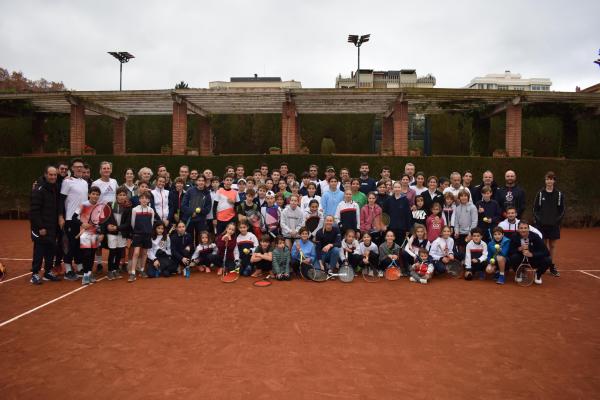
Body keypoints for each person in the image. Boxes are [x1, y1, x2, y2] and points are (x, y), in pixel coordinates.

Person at [30, 165, 60, 284]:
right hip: (41, 228)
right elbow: (34, 210)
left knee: (50, 250)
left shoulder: (55, 187)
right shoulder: (39, 189)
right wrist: (40, 227)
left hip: (52, 227)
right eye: (51, 174)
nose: (53, 177)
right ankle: (35, 274)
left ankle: (47, 272)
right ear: (45, 175)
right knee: (39, 251)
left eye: (54, 175)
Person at [59, 158, 88, 281]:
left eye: (81, 166)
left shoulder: (85, 183)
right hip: (70, 218)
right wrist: (61, 216)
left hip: (82, 219)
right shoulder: (67, 182)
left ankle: (80, 267)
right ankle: (68, 269)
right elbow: (61, 200)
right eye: (76, 167)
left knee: (79, 245)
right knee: (70, 244)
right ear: (72, 168)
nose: (79, 168)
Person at [533, 171, 564, 277]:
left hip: (554, 226)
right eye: (547, 179)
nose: (549, 181)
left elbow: (562, 210)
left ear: (554, 181)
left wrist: (556, 221)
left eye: (551, 179)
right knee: (543, 245)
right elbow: (535, 209)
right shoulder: (540, 193)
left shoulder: (559, 194)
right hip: (541, 225)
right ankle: (543, 264)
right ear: (545, 181)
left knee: (552, 245)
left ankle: (551, 265)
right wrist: (539, 221)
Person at [74, 186, 104, 285]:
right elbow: (74, 218)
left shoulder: (100, 206)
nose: (95, 196)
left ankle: (89, 273)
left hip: (95, 234)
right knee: (86, 254)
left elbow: (101, 221)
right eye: (93, 194)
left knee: (92, 255)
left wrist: (101, 233)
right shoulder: (83, 205)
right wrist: (82, 224)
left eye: (97, 194)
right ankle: (85, 276)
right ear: (89, 194)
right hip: (85, 233)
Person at [103, 187, 130, 280]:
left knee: (119, 253)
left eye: (124, 195)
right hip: (111, 233)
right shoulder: (110, 205)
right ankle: (110, 270)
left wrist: (117, 228)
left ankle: (116, 269)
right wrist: (107, 226)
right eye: (120, 195)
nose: (122, 197)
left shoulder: (128, 207)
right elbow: (104, 218)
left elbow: (128, 223)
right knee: (112, 252)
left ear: (126, 196)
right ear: (116, 195)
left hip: (121, 233)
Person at [129, 192, 155, 282]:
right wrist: (137, 231)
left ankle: (142, 270)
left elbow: (151, 223)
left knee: (144, 253)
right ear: (139, 200)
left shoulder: (151, 210)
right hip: (138, 234)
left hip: (147, 235)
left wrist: (148, 231)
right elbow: (132, 223)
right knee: (136, 253)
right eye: (142, 198)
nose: (144, 200)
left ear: (149, 200)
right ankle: (132, 272)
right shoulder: (135, 210)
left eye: (146, 198)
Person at [181, 175, 212, 245]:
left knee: (201, 238)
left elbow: (208, 208)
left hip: (201, 220)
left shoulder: (207, 193)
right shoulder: (190, 191)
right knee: (189, 238)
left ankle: (201, 253)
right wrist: (191, 212)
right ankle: (189, 253)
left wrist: (200, 211)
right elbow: (183, 205)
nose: (201, 182)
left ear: (205, 182)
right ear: (196, 182)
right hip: (189, 219)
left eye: (202, 181)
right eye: (199, 180)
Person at [452, 190, 478, 257]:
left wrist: (470, 234)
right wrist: (456, 232)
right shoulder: (457, 208)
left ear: (468, 197)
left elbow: (474, 222)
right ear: (459, 197)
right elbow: (456, 222)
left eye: (465, 196)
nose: (463, 197)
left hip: (469, 234)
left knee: (469, 253)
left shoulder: (472, 207)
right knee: (461, 253)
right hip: (460, 234)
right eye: (461, 196)